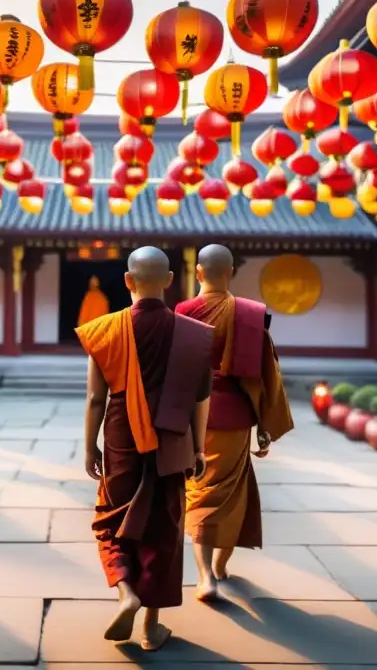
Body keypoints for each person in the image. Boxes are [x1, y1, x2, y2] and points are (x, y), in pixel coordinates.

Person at [76, 246, 213, 651]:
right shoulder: (194, 335)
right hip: (173, 440)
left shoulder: (106, 330)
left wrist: (89, 446)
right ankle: (152, 627)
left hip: (120, 436)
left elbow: (94, 400)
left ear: (127, 281)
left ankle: (126, 593)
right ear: (170, 281)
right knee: (162, 527)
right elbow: (199, 399)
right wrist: (200, 448)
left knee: (110, 517)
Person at [175, 243, 294, 602]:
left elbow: (176, 374)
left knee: (199, 492)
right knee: (234, 493)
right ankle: (221, 566)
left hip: (197, 418)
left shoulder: (184, 311)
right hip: (238, 416)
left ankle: (205, 576)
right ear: (230, 272)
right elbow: (264, 373)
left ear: (198, 272)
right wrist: (265, 424)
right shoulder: (248, 314)